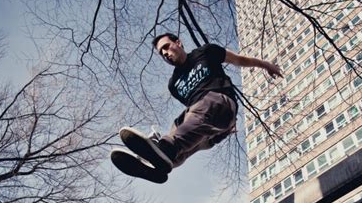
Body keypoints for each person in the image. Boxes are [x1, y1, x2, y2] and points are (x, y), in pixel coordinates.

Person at [111, 33, 282, 182]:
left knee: (203, 106)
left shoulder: (206, 52)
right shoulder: (174, 85)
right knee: (177, 126)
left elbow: (238, 60)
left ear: (178, 42)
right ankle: (154, 165)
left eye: (166, 47)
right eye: (161, 53)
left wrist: (265, 64)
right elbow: (192, 119)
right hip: (207, 126)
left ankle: (164, 149)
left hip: (220, 103)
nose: (165, 54)